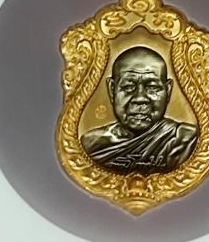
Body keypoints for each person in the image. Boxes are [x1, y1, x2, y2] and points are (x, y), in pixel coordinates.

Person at [80, 46, 198, 175]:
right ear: (112, 90)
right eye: (128, 87)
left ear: (168, 90)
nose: (140, 98)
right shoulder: (92, 144)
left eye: (152, 87)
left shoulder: (185, 139)